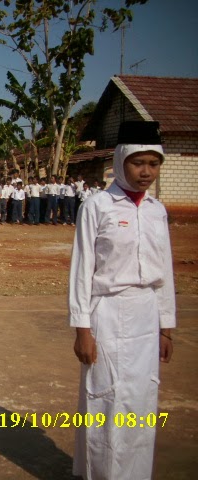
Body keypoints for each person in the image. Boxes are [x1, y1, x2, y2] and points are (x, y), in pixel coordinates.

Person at [69, 121, 175, 480]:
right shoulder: (97, 206)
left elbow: (165, 270)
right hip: (108, 313)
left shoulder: (157, 210)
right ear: (120, 161)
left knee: (141, 400)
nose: (146, 172)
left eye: (153, 163)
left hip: (146, 315)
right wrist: (82, 329)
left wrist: (166, 327)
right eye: (138, 162)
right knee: (105, 398)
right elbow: (82, 269)